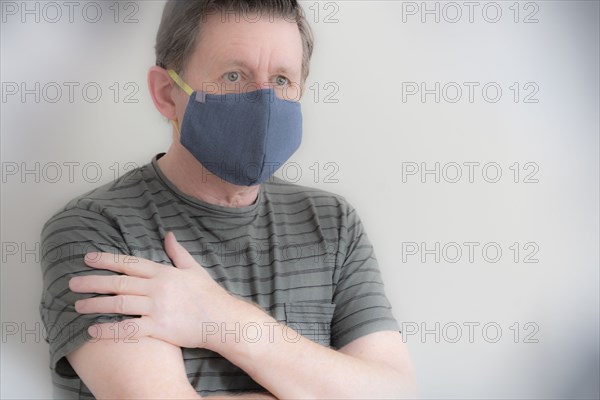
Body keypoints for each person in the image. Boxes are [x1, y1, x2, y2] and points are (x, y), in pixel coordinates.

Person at [39, 1, 417, 398]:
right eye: (234, 75)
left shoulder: (332, 223)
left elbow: (396, 391)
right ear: (167, 93)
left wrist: (218, 318)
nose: (265, 103)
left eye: (282, 79)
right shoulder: (96, 230)